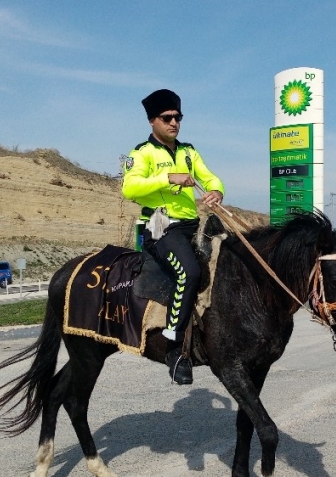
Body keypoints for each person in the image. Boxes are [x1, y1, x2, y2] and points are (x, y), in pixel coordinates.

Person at [122, 89, 225, 385]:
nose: (174, 123)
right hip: (160, 227)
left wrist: (217, 190)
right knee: (189, 273)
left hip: (191, 224)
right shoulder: (141, 153)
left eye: (177, 117)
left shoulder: (189, 153)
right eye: (167, 118)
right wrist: (168, 178)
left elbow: (210, 177)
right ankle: (174, 349)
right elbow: (130, 188)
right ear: (152, 121)